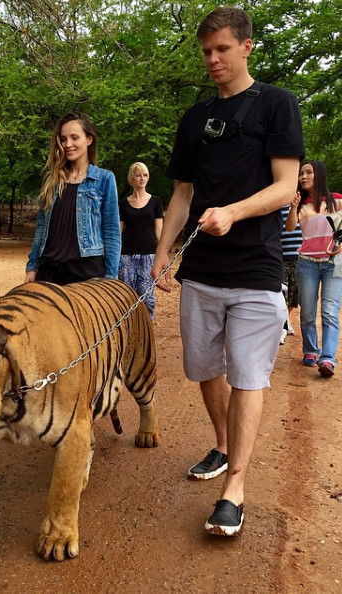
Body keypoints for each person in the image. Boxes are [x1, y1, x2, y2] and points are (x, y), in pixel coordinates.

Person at [151, 7, 304, 536]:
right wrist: (161, 253)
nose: (213, 60)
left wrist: (234, 212)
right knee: (203, 368)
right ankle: (221, 443)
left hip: (257, 268)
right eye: (206, 51)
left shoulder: (277, 105)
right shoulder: (194, 119)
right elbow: (182, 195)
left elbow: (287, 186)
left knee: (248, 373)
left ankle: (234, 488)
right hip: (201, 273)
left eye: (222, 49)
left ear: (246, 47)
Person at [25, 112, 120, 285]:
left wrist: (111, 277)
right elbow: (41, 227)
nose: (67, 144)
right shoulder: (51, 180)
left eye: (74, 138)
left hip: (87, 271)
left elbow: (112, 232)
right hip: (49, 271)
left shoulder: (104, 179)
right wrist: (32, 267)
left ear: (89, 139)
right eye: (63, 139)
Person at [291, 160, 342, 377]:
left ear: (318, 174)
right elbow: (289, 226)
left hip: (333, 263)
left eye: (308, 172)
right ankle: (311, 351)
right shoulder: (302, 205)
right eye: (301, 173)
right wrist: (293, 207)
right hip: (306, 263)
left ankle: (328, 359)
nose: (303, 176)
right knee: (308, 313)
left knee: (330, 312)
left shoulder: (337, 200)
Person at [118, 162, 164, 318]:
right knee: (126, 296)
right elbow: (118, 231)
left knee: (147, 297)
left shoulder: (156, 201)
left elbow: (159, 231)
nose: (141, 178)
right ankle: (128, 331)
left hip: (148, 254)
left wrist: (162, 252)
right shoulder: (123, 204)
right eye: (138, 175)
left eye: (144, 175)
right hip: (126, 255)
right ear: (131, 179)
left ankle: (146, 331)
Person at [280, 200, 303, 344]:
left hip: (299, 257)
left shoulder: (301, 207)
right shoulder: (274, 208)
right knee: (281, 292)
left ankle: (286, 319)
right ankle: (282, 326)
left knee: (295, 294)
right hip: (280, 256)